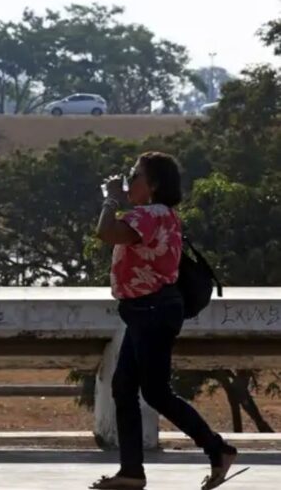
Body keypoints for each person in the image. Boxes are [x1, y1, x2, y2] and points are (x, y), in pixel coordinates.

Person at [89, 152, 237, 490]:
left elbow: (107, 233)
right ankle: (131, 472)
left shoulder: (150, 214)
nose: (129, 181)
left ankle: (218, 449)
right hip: (147, 311)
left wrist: (110, 198)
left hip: (152, 312)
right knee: (124, 388)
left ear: (153, 185)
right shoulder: (160, 215)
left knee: (154, 391)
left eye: (135, 175)